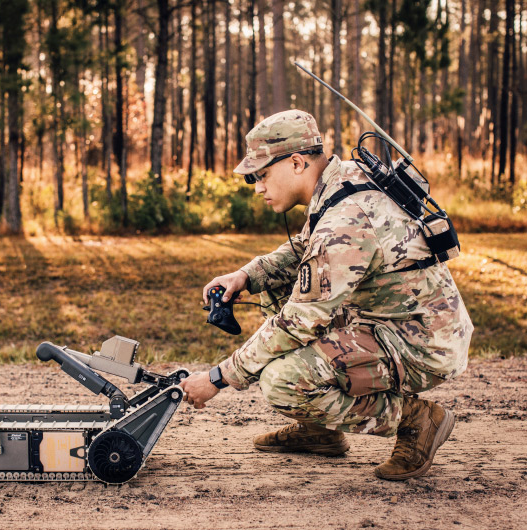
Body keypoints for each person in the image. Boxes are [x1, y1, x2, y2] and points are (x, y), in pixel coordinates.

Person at [179, 109, 473, 480]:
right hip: (401, 321)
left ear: (298, 162)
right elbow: (305, 248)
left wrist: (218, 378)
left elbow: (298, 321)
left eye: (262, 174)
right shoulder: (342, 181)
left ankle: (416, 419)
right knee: (281, 291)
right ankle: (321, 429)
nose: (258, 188)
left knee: (282, 380)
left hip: (421, 344)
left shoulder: (347, 219)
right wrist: (246, 276)